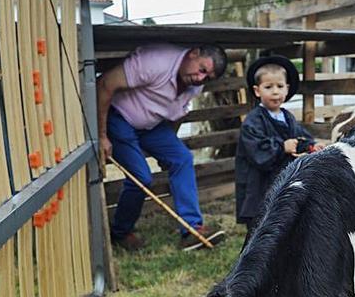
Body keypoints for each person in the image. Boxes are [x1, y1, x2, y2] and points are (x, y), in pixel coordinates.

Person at [96, 43, 228, 251]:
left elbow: (177, 114)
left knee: (182, 158)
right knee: (141, 177)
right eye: (202, 70)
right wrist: (101, 135)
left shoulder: (195, 84)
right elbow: (104, 84)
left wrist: (166, 151)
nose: (201, 79)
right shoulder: (156, 61)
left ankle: (192, 230)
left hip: (151, 126)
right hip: (119, 117)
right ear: (193, 53)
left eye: (207, 78)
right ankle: (120, 232)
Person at [235, 55, 314, 241]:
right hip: (260, 183)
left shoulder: (287, 117)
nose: (275, 92)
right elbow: (257, 151)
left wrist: (310, 146)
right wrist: (281, 147)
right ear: (257, 91)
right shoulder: (253, 121)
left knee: (282, 220)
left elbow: (299, 137)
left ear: (287, 88)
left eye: (280, 86)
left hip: (280, 180)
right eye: (268, 87)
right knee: (260, 225)